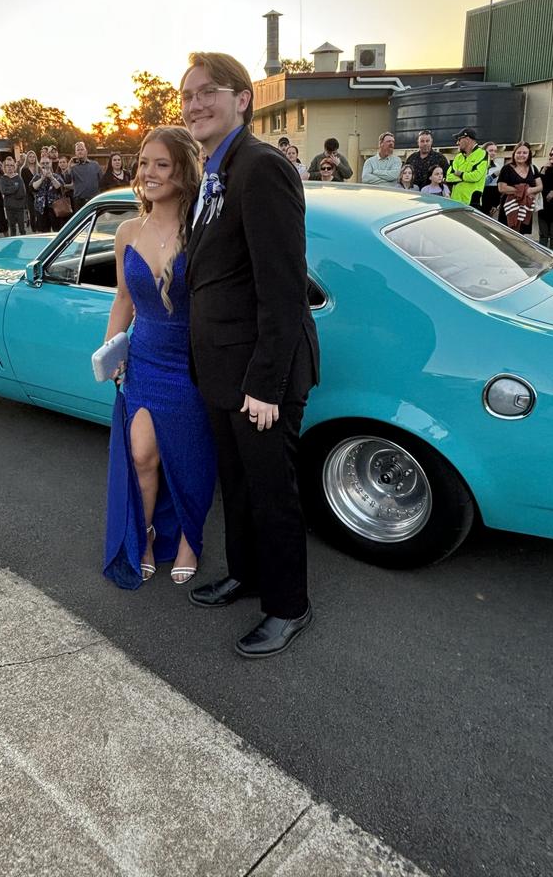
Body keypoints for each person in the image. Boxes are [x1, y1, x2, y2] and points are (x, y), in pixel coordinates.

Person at [181, 51, 319, 659]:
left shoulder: (261, 168)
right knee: (234, 486)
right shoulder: (216, 169)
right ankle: (246, 573)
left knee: (271, 491)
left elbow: (283, 290)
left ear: (244, 99)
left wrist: (264, 384)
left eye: (208, 91)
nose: (195, 104)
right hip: (221, 370)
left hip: (261, 376)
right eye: (186, 96)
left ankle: (288, 605)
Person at [103, 126, 216, 590]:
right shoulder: (128, 230)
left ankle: (190, 538)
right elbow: (124, 298)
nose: (148, 173)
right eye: (144, 163)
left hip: (192, 364)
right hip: (146, 359)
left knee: (191, 459)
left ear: (183, 172)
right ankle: (146, 534)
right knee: (142, 453)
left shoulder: (204, 230)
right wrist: (112, 348)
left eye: (161, 164)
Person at [497, 141, 542, 235]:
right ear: (514, 154)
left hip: (525, 208)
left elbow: (540, 186)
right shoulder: (507, 168)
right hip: (509, 207)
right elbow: (502, 188)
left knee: (521, 237)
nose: (521, 155)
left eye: (525, 153)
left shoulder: (533, 168)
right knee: (506, 235)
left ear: (529, 154)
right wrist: (522, 190)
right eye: (518, 152)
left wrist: (528, 190)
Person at [446, 128, 488, 205]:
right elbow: (448, 177)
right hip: (455, 201)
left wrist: (460, 174)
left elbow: (476, 176)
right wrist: (466, 176)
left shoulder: (482, 154)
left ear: (467, 139)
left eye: (459, 140)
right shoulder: (458, 156)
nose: (457, 143)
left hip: (472, 203)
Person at [31, 155, 66, 232]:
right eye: (43, 163)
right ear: (40, 164)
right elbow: (33, 187)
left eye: (47, 163)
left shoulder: (56, 176)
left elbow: (60, 187)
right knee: (44, 232)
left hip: (55, 208)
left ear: (50, 164)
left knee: (57, 230)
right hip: (41, 209)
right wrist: (42, 178)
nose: (45, 165)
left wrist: (51, 177)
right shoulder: (37, 176)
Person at [68, 141, 103, 212]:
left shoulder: (95, 165)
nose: (80, 151)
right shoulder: (73, 168)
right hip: (79, 201)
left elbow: (102, 181)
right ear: (75, 153)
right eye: (78, 150)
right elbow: (67, 181)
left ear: (86, 151)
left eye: (82, 149)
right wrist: (69, 167)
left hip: (94, 200)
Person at [0, 156, 28, 235]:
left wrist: (10, 192)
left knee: (22, 228)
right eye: (7, 165)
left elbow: (22, 192)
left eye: (11, 165)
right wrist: (15, 187)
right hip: (9, 207)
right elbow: (3, 191)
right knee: (12, 228)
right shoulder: (3, 179)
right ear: (4, 167)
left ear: (14, 166)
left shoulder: (18, 178)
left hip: (19, 207)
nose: (9, 167)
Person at [20, 150, 40, 231]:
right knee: (32, 214)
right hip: (29, 194)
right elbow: (26, 184)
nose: (32, 158)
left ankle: (41, 230)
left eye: (33, 157)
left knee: (39, 214)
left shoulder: (38, 168)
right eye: (30, 157)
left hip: (39, 194)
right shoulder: (24, 169)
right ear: (27, 158)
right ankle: (34, 231)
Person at [481, 141, 501, 215]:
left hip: (493, 198)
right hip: (482, 196)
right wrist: (493, 175)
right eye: (490, 151)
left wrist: (496, 204)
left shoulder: (497, 166)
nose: (493, 153)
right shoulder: (480, 166)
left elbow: (498, 187)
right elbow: (481, 183)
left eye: (495, 151)